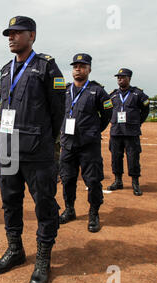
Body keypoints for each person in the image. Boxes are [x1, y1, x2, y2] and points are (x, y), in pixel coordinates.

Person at [0, 16, 65, 283]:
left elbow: (58, 110)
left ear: (31, 36)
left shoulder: (46, 67)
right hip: (9, 150)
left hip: (37, 151)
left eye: (17, 33)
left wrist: (47, 142)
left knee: (44, 205)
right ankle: (15, 249)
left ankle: (43, 258)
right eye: (9, 33)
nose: (11, 37)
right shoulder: (4, 70)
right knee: (10, 202)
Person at [58, 53, 113, 233]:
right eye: (75, 66)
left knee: (93, 180)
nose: (78, 69)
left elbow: (107, 115)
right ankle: (70, 209)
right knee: (67, 179)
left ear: (89, 69)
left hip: (89, 145)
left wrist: (94, 130)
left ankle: (94, 213)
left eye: (82, 66)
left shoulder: (97, 91)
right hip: (68, 144)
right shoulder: (65, 91)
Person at [107, 68, 150, 196]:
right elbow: (107, 110)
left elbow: (146, 109)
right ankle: (118, 181)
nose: (120, 79)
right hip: (116, 131)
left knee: (133, 157)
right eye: (118, 77)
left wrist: (137, 122)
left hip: (131, 132)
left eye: (122, 77)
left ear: (129, 78)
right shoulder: (113, 95)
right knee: (116, 157)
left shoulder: (138, 94)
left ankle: (135, 183)